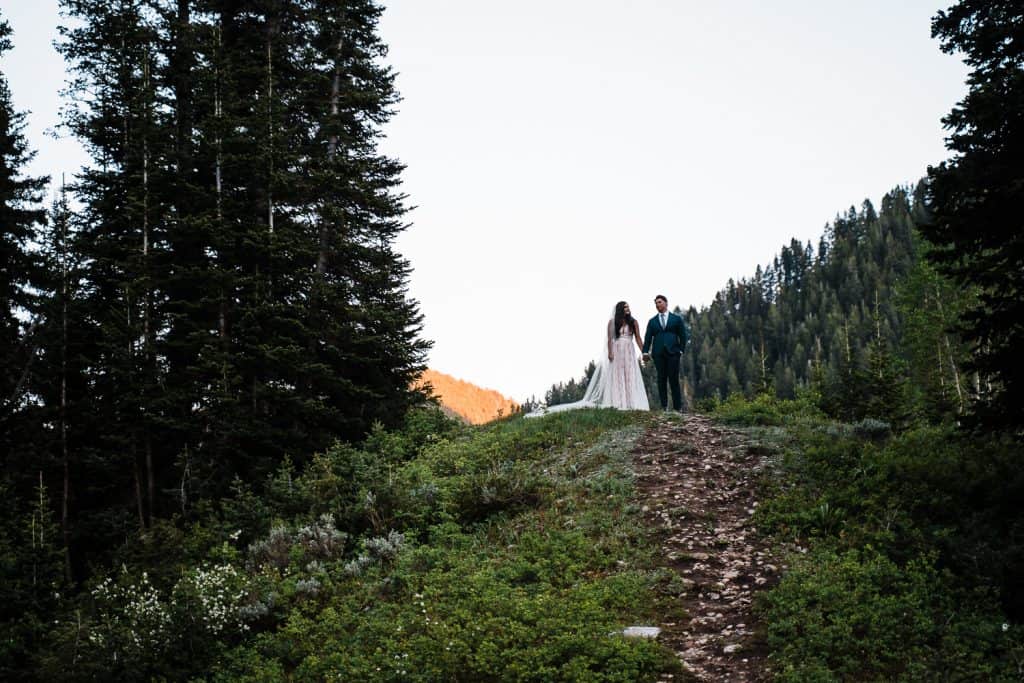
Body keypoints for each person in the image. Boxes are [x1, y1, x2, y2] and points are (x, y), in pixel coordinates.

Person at [527, 301, 649, 416]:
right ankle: (619, 403)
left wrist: (644, 351)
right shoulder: (612, 322)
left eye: (628, 307)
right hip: (617, 350)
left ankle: (631, 403)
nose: (628, 309)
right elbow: (609, 339)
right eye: (625, 307)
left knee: (629, 375)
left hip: (628, 351)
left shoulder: (633, 322)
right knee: (618, 377)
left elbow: (638, 337)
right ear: (620, 309)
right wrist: (610, 353)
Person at [642, 294, 689, 411]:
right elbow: (648, 338)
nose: (658, 305)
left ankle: (677, 408)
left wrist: (681, 350)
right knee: (661, 379)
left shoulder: (676, 319)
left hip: (673, 353)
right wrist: (645, 351)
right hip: (658, 354)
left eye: (660, 302)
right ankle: (664, 406)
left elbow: (683, 335)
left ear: (666, 303)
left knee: (674, 380)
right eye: (656, 303)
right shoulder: (652, 321)